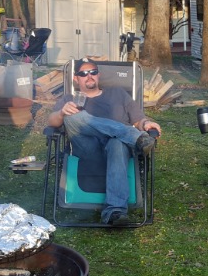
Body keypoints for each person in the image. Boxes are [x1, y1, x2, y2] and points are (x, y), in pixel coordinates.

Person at [46, 58, 161, 225]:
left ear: (98, 75)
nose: (89, 76)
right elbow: (52, 121)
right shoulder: (70, 98)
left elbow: (138, 120)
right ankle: (136, 138)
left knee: (116, 143)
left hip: (117, 149)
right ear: (76, 79)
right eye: (83, 73)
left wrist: (146, 124)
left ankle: (115, 211)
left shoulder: (118, 94)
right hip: (87, 148)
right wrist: (62, 113)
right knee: (72, 117)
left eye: (93, 72)